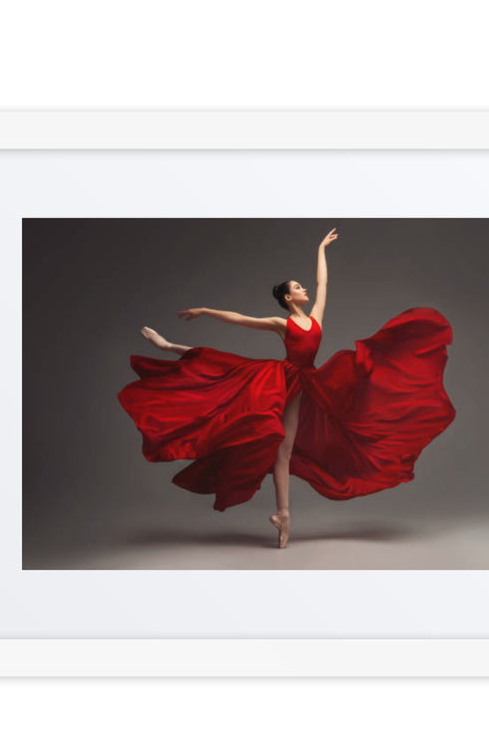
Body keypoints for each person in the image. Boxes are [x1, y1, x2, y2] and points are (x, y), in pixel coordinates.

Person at [117, 228, 456, 548]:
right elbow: (240, 318)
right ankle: (168, 348)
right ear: (287, 297)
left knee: (288, 447)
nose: (304, 289)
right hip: (280, 380)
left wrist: (320, 249)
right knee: (227, 375)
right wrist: (205, 310)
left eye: (302, 285)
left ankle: (283, 516)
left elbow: (324, 283)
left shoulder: (316, 317)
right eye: (297, 287)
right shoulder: (284, 323)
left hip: (307, 381)